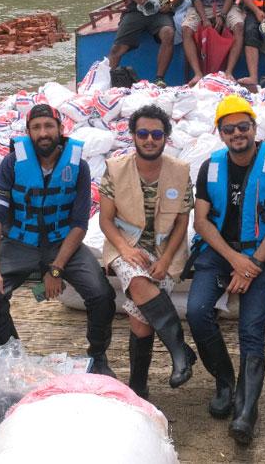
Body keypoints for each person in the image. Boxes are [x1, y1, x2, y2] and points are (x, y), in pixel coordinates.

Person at [0, 104, 117, 376]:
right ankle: (12, 354)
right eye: (36, 128)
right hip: (20, 242)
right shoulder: (11, 164)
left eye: (48, 126)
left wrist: (56, 268)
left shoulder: (79, 166)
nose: (43, 133)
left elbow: (79, 224)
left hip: (63, 243)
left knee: (101, 294)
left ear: (60, 130)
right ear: (28, 133)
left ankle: (98, 356)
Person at [188, 95, 265, 445]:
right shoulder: (211, 166)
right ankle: (224, 381)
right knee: (197, 311)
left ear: (253, 127)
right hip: (221, 253)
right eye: (229, 128)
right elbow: (201, 222)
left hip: (263, 254)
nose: (237, 134)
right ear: (220, 133)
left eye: (243, 127)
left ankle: (247, 409)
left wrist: (252, 266)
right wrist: (235, 261)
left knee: (251, 327)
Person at [99, 105, 196, 399]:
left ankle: (139, 387)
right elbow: (105, 220)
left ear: (165, 137)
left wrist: (166, 260)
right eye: (143, 133)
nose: (149, 140)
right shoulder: (115, 169)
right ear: (133, 136)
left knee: (141, 322)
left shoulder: (180, 172)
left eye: (156, 134)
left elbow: (182, 221)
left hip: (167, 249)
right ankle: (179, 350)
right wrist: (126, 249)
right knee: (138, 281)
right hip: (126, 246)